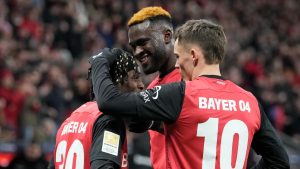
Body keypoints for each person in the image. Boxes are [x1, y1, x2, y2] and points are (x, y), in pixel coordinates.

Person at [89, 19, 290, 168]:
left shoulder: (181, 94)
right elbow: (279, 161)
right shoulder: (249, 101)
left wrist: (100, 60)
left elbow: (109, 102)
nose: (176, 64)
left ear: (193, 56)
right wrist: (154, 124)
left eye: (178, 56)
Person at [49, 50, 144, 169]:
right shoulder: (108, 119)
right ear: (117, 82)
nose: (141, 85)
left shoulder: (67, 122)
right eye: (135, 78)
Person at [127, 6, 181, 169]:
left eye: (142, 42)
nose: (137, 52)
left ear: (167, 36)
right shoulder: (151, 88)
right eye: (133, 46)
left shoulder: (191, 82)